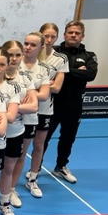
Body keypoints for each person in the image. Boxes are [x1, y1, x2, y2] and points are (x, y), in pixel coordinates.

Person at [45, 21, 98, 183]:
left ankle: (60, 167)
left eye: (77, 33)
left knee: (68, 138)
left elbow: (90, 75)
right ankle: (36, 167)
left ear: (82, 36)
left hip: (75, 105)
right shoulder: (54, 53)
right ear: (64, 35)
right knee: (44, 138)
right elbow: (48, 73)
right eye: (70, 32)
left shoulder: (89, 56)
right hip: (53, 103)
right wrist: (77, 72)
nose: (73, 35)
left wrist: (63, 72)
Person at [24, 23, 69, 196]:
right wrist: (41, 88)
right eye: (26, 44)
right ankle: (9, 182)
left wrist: (35, 90)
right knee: (20, 148)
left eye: (52, 36)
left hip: (44, 110)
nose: (49, 39)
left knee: (38, 145)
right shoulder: (20, 63)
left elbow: (56, 88)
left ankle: (33, 179)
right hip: (25, 110)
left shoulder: (54, 63)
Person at [0, 40, 38, 215]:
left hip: (16, 130)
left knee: (12, 165)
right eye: (10, 55)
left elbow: (33, 106)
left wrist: (13, 107)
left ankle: (7, 196)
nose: (14, 59)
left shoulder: (25, 79)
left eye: (17, 55)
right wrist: (16, 106)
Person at [12, 33, 50, 203]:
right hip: (11, 117)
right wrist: (31, 94)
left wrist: (29, 95)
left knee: (22, 153)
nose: (27, 47)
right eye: (26, 43)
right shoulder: (14, 64)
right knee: (8, 154)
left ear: (41, 48)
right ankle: (4, 182)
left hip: (30, 117)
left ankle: (23, 183)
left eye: (33, 45)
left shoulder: (43, 69)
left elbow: (44, 95)